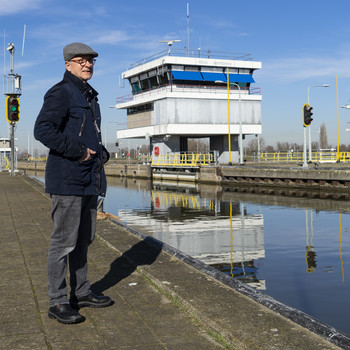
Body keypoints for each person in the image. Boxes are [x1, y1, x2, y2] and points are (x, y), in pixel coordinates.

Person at [34, 42, 113, 324]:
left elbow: (85, 134)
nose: (87, 65)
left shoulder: (89, 95)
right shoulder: (62, 91)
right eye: (81, 61)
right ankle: (57, 302)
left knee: (83, 240)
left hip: (88, 180)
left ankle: (81, 293)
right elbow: (43, 130)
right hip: (68, 180)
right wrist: (79, 152)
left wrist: (99, 152)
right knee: (63, 243)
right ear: (68, 65)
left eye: (91, 61)